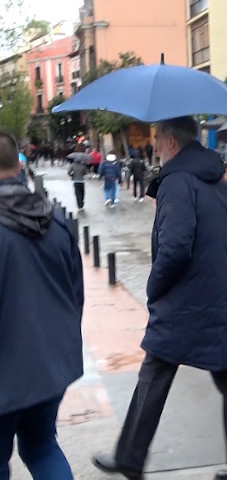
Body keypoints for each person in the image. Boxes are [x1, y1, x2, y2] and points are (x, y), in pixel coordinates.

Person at [92, 117, 227, 480]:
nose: (153, 145)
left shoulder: (179, 180)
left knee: (156, 372)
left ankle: (131, 457)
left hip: (185, 300)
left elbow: (176, 246)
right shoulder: (212, 177)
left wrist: (154, 286)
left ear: (170, 142)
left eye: (156, 138)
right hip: (217, 297)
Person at [0, 130, 84, 479]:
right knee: (41, 446)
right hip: (52, 365)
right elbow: (76, 294)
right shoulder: (57, 219)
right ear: (18, 165)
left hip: (6, 373)